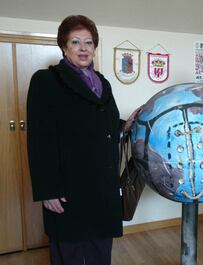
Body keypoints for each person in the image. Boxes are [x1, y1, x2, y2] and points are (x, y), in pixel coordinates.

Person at [27, 15, 131, 265]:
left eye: (88, 42)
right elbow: (39, 139)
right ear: (64, 46)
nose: (83, 48)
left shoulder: (102, 83)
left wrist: (127, 124)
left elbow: (105, 123)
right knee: (68, 254)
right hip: (68, 188)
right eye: (75, 42)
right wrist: (47, 190)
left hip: (102, 187)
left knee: (100, 253)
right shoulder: (46, 81)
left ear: (95, 47)